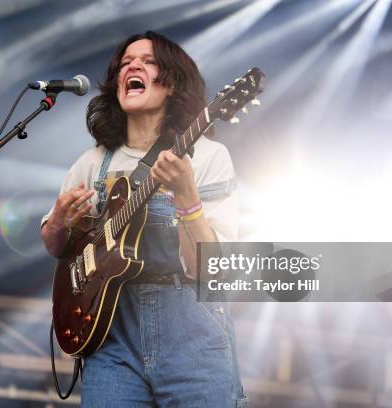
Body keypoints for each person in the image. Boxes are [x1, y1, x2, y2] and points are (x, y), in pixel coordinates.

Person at [41, 31, 248, 407]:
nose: (132, 66)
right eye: (125, 63)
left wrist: (188, 201)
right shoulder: (94, 161)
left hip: (192, 333)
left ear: (172, 83)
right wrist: (58, 222)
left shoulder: (206, 156)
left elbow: (212, 270)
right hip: (112, 338)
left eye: (148, 61)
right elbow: (55, 244)